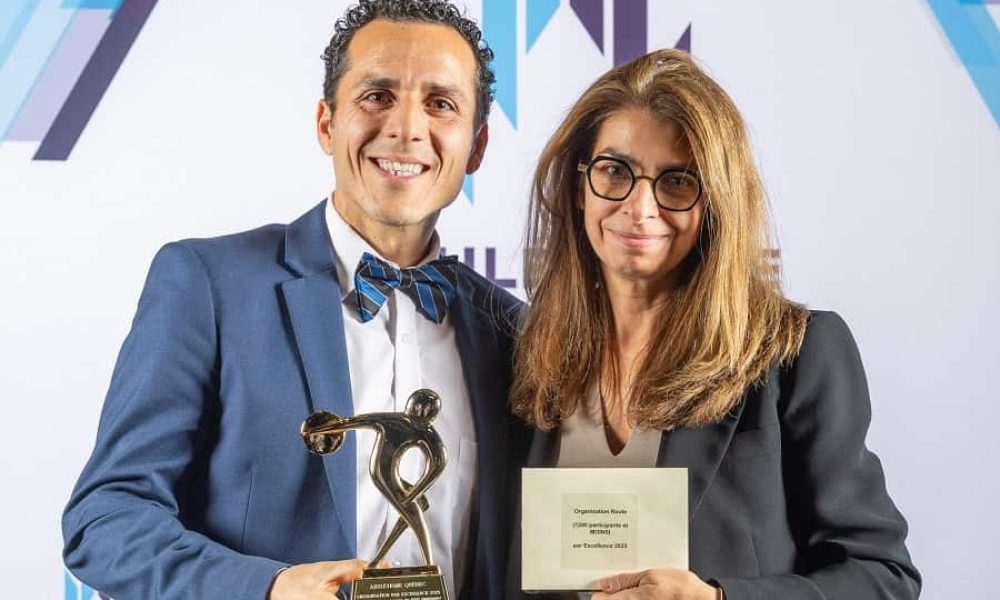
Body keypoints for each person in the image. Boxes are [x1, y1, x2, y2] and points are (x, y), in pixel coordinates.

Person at [62, 2, 527, 599]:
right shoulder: (209, 284)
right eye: (377, 96)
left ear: (476, 147)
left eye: (440, 103)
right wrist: (268, 588)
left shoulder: (510, 330)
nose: (407, 128)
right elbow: (106, 519)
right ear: (327, 123)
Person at [507, 49, 921, 599]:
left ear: (717, 204)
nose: (640, 207)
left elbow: (882, 578)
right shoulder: (529, 351)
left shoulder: (794, 354)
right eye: (615, 171)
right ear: (578, 184)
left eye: (677, 182)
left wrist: (718, 599)